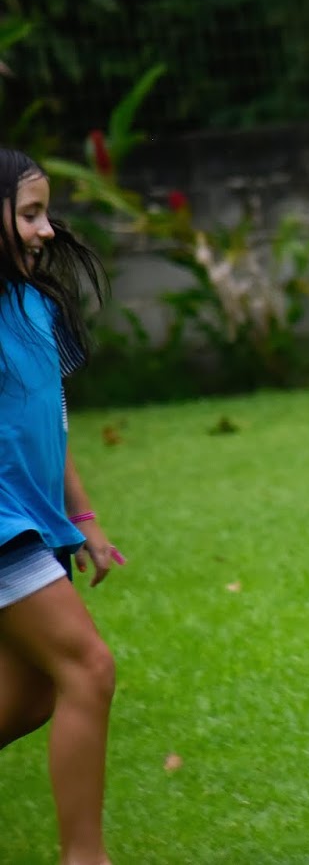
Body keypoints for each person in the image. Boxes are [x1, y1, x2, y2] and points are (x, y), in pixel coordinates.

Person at [0, 147, 123, 865]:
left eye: (45, 213)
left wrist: (82, 518)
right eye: (29, 214)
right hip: (2, 526)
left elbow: (51, 420)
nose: (47, 230)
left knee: (35, 695)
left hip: (33, 522)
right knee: (89, 667)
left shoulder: (35, 306)